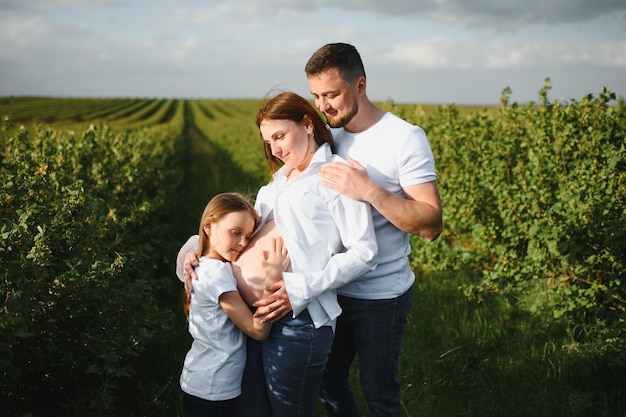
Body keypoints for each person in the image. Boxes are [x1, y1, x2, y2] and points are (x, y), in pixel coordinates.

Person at [254, 42, 444, 417]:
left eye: (332, 94)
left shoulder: (404, 138)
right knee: (327, 379)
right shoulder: (326, 134)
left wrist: (370, 191)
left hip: (380, 296)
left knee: (380, 394)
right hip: (330, 291)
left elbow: (431, 224)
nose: (323, 106)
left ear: (360, 85)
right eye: (315, 96)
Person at [177, 91, 378, 417]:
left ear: (308, 124)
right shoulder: (278, 182)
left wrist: (300, 288)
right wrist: (191, 249)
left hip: (299, 321)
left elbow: (365, 252)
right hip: (258, 317)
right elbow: (242, 232)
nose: (275, 149)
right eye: (268, 142)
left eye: (280, 136)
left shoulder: (335, 175)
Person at [179, 192, 288, 417]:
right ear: (208, 228)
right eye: (235, 233)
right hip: (212, 389)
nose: (242, 243)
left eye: (248, 236)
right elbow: (257, 331)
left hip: (204, 381)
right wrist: (273, 279)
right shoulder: (215, 275)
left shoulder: (210, 266)